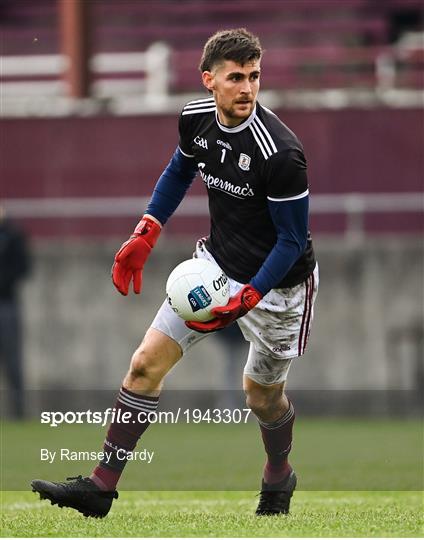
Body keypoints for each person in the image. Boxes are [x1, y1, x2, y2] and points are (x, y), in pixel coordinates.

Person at [31, 28, 318, 518]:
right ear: (208, 80)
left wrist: (248, 297)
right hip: (214, 269)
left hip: (278, 289)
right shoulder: (195, 120)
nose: (247, 88)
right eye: (235, 78)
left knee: (261, 398)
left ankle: (278, 473)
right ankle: (101, 487)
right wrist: (146, 231)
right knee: (144, 364)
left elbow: (292, 242)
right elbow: (179, 170)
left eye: (254, 77)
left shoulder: (281, 154)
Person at [0, 207, 31, 418]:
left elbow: (24, 267)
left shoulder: (13, 236)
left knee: (13, 360)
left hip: (7, 303)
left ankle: (18, 411)